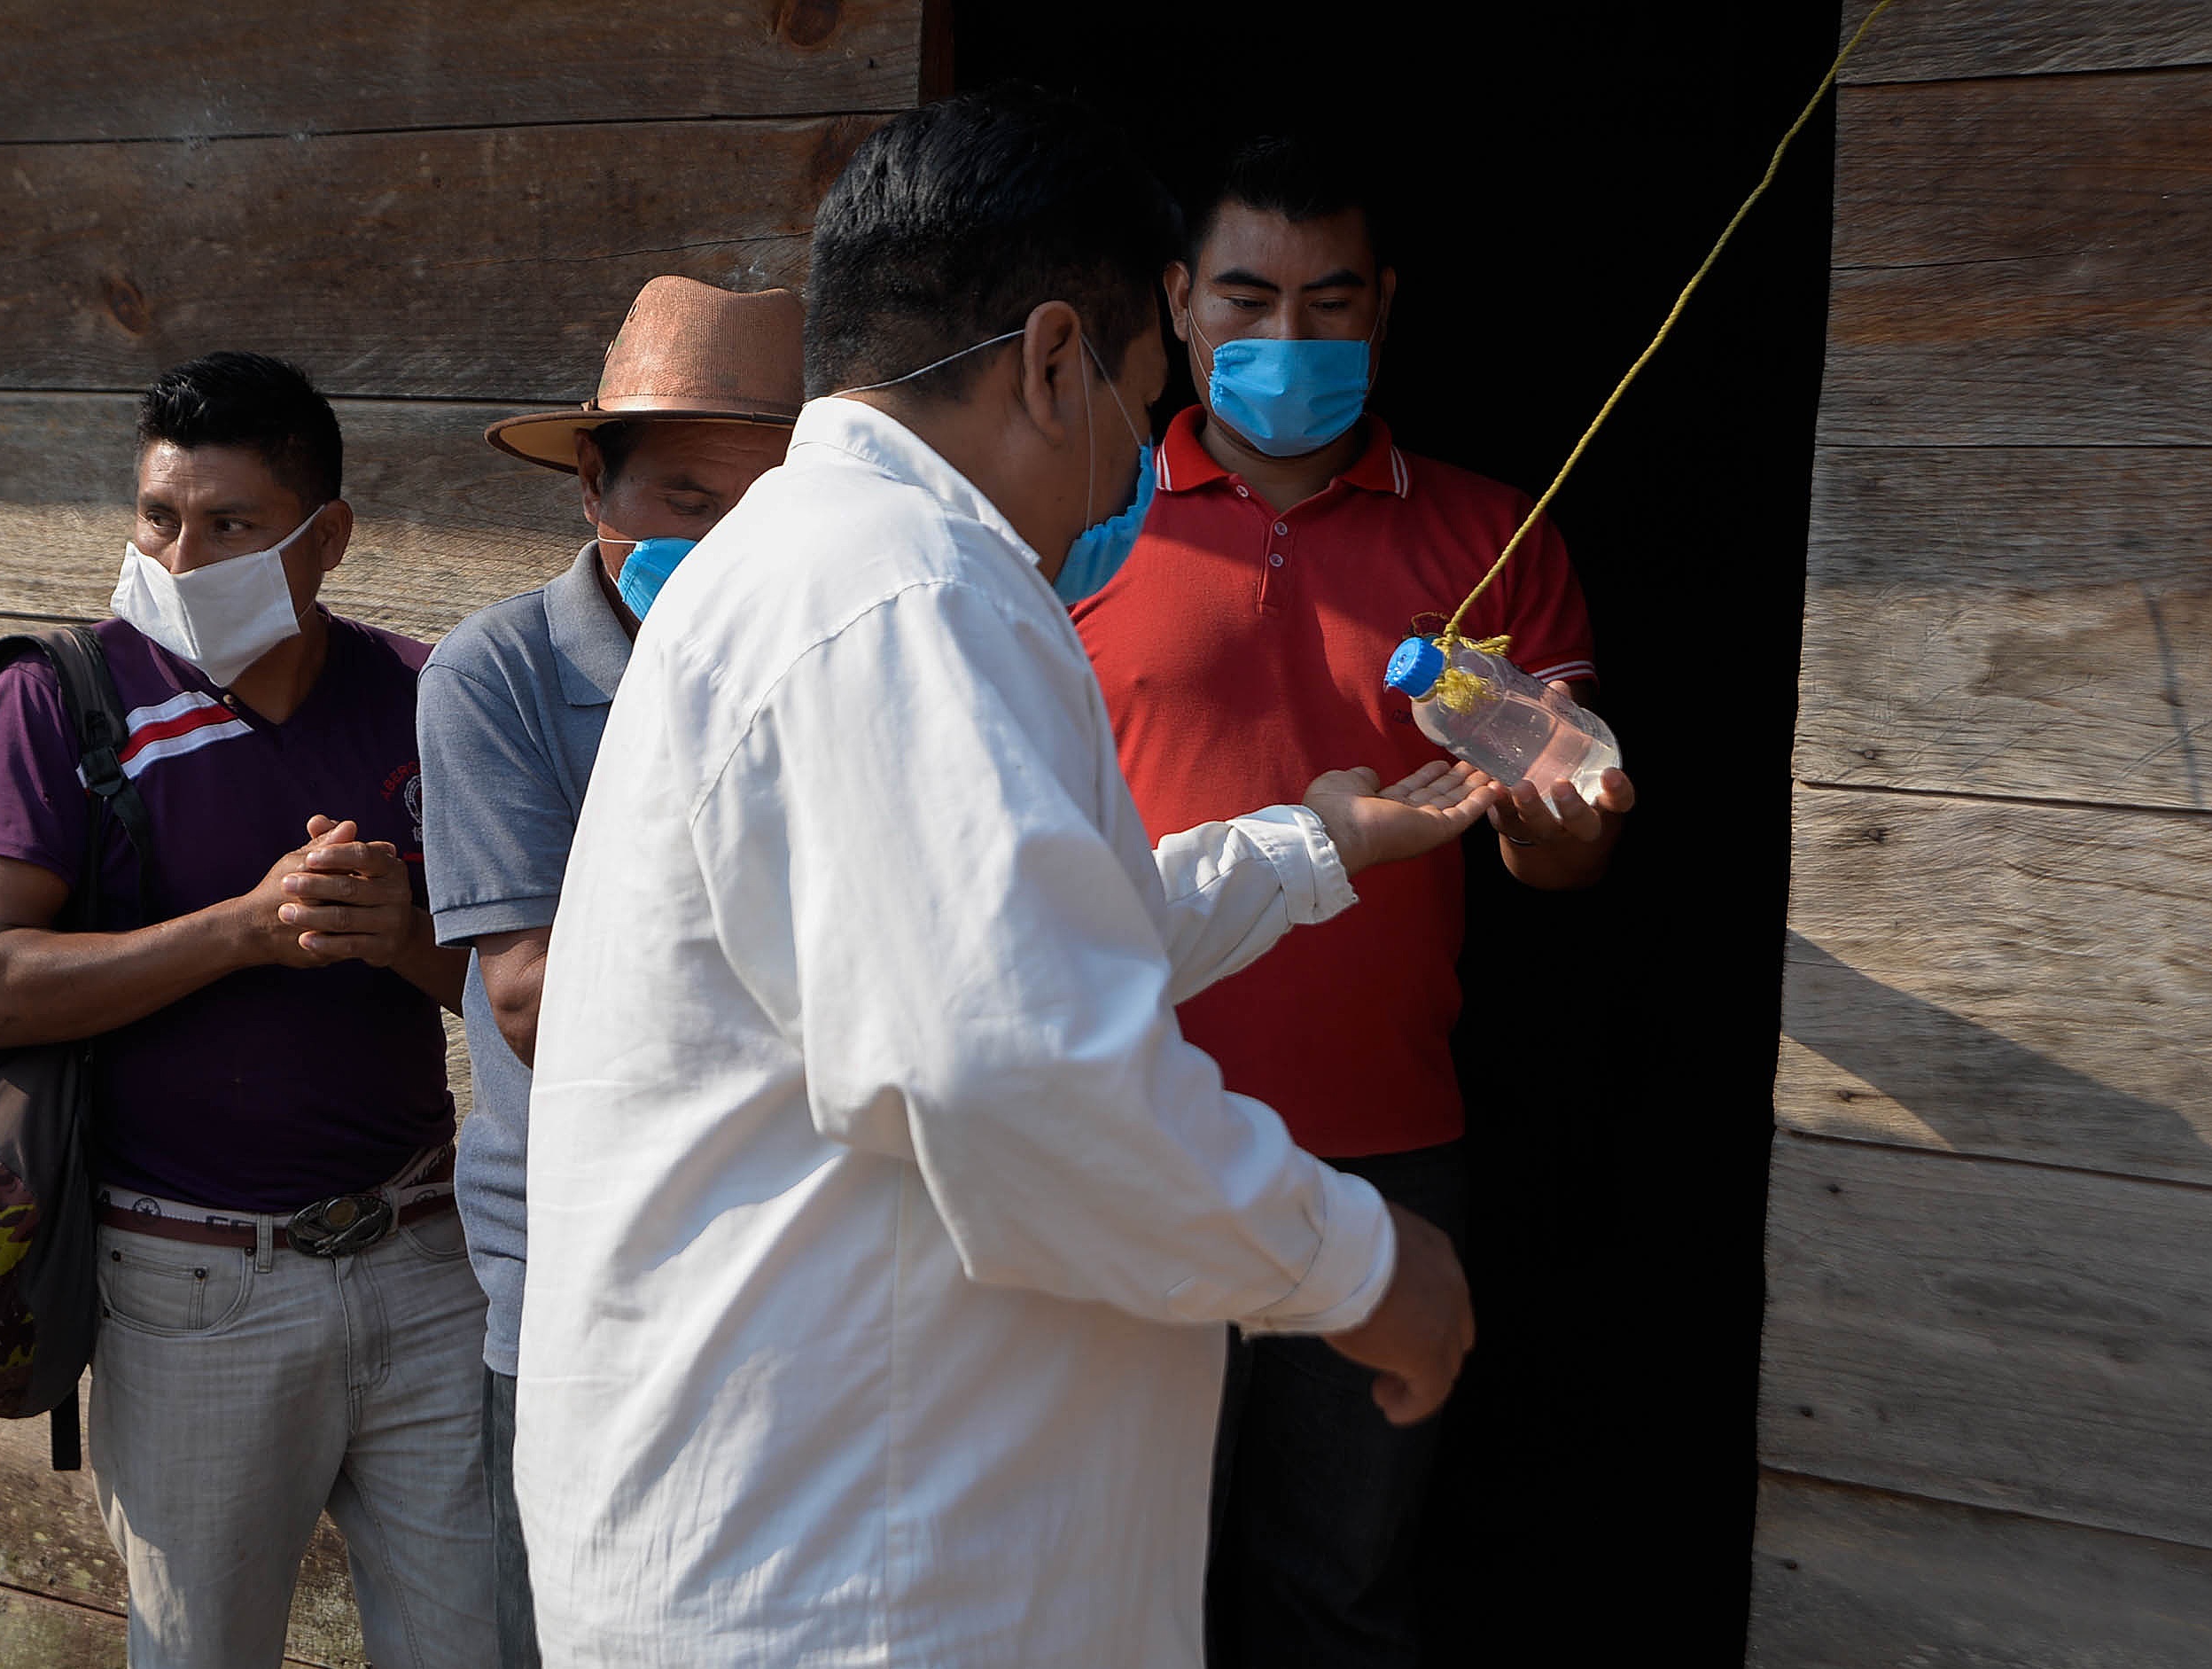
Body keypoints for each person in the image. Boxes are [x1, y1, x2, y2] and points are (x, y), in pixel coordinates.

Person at [512, 90, 1495, 1667]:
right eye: (1140, 391)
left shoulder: (828, 568)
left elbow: (1008, 948)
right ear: (1053, 361)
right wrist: (1365, 1266)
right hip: (866, 1581)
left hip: (853, 1549)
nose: (1131, 471)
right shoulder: (903, 590)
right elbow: (1010, 1060)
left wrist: (1314, 847)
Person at [1069, 133, 1640, 1667]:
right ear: (1175, 301)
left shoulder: (1489, 536)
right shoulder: (1076, 520)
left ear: (1384, 305)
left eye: (1331, 301)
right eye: (1248, 297)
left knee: (1339, 1583)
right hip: (1127, 1123)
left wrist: (1561, 813)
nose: (1291, 340)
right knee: (1113, 1585)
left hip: (1382, 1147)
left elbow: (1560, 852)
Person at [0, 351, 495, 1669]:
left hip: (422, 1261)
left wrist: (399, 936)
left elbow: (520, 989)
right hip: (187, 1286)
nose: (182, 557)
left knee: (478, 1643)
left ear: (326, 537)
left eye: (230, 524)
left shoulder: (423, 696)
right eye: (158, 517)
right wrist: (240, 930)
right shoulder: (63, 699)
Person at [416, 276, 805, 1669]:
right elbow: (530, 1005)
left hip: (784, 1266)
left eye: (765, 516)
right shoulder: (495, 676)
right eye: (687, 506)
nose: (723, 549)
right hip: (580, 1280)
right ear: (594, 485)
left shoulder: (825, 660)